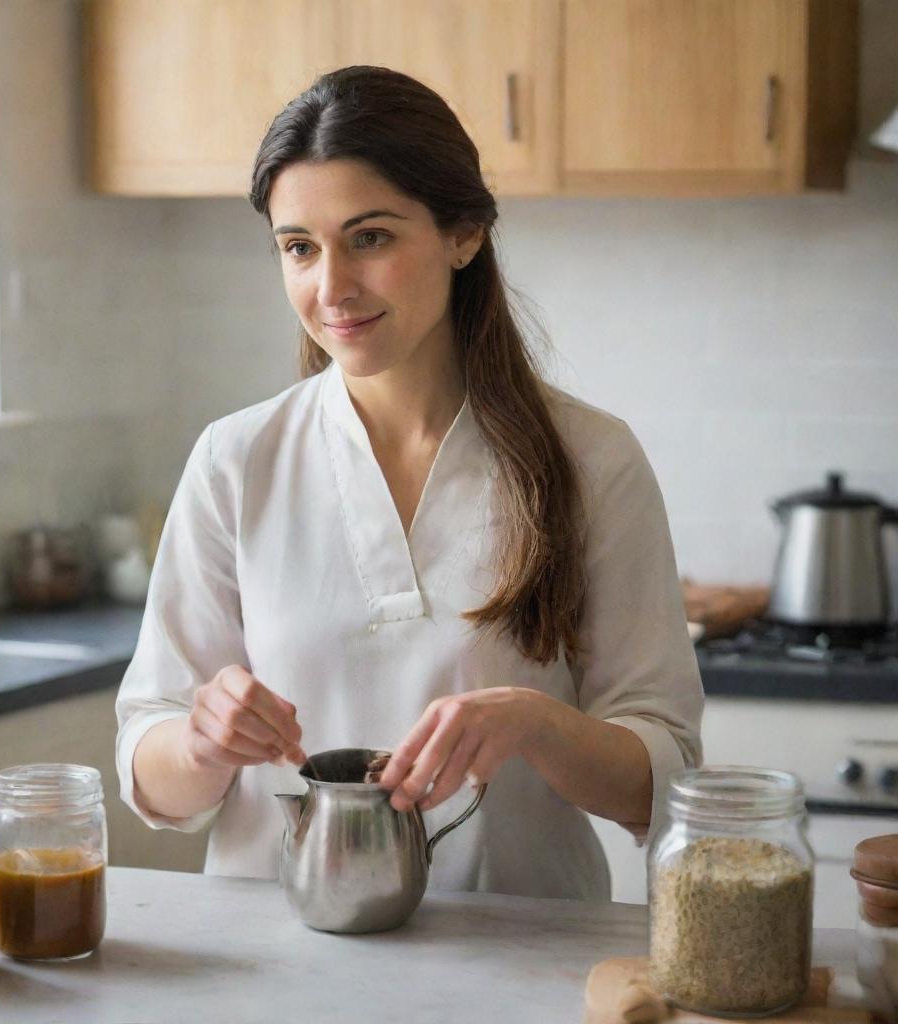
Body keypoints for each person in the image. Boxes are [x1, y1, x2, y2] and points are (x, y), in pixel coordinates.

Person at [115, 66, 703, 900]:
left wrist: (536, 725)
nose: (331, 289)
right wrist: (201, 743)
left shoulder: (593, 460)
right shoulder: (234, 460)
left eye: (371, 237)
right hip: (274, 964)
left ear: (464, 234)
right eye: (299, 248)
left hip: (519, 959)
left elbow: (668, 778)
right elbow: (152, 775)